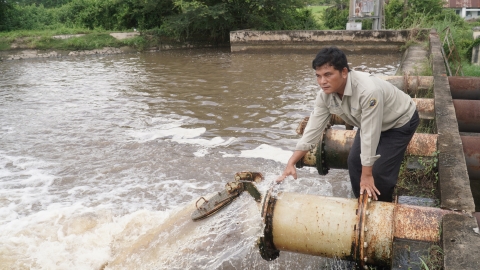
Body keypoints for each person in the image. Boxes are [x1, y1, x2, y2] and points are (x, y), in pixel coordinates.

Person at [276, 47, 419, 202]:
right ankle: (362, 203)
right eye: (318, 76)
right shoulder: (325, 96)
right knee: (354, 162)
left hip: (399, 121)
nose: (322, 82)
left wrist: (367, 175)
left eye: (328, 75)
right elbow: (313, 129)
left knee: (379, 173)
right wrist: (292, 162)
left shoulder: (367, 91)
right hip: (369, 123)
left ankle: (381, 212)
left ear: (344, 72)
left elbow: (370, 134)